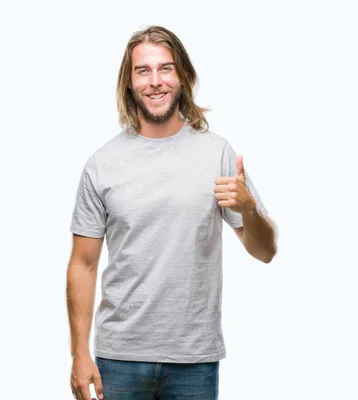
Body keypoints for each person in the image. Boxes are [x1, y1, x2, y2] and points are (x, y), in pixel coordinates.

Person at [66, 25, 278, 400]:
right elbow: (83, 264)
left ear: (183, 76)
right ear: (129, 82)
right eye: (143, 70)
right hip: (119, 358)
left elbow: (265, 252)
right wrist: (79, 354)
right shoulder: (102, 164)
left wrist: (249, 210)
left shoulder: (218, 154)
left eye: (165, 68)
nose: (155, 81)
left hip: (194, 359)